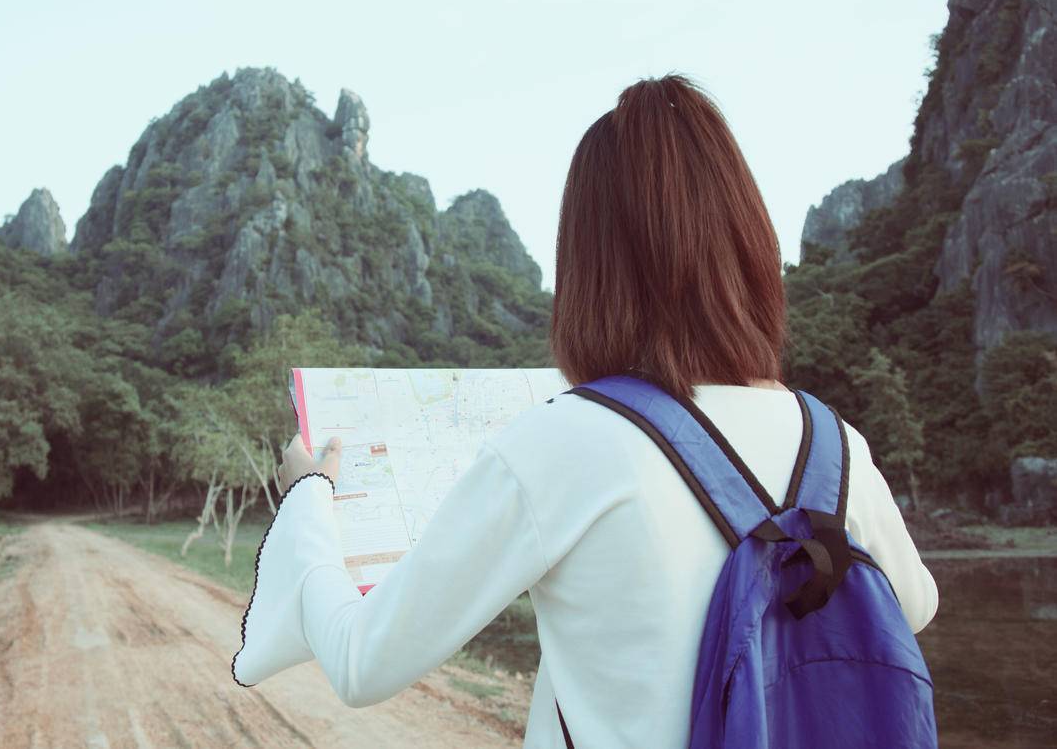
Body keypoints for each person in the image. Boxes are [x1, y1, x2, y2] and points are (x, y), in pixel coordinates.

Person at [231, 74, 939, 747]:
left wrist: (307, 499)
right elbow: (911, 606)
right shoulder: (832, 440)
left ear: (588, 264)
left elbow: (363, 660)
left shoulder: (564, 439)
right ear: (747, 246)